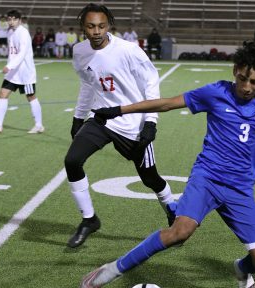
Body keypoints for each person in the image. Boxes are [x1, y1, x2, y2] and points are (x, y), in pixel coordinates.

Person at [80, 41, 255, 288]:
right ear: (235, 69)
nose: (246, 87)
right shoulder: (215, 93)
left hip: (240, 189)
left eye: (254, 82)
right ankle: (112, 269)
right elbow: (167, 103)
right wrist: (118, 110)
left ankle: (240, 269)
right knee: (179, 233)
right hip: (207, 178)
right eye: (242, 78)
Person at [64, 3, 175, 249]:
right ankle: (89, 219)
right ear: (83, 27)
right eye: (91, 26)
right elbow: (88, 85)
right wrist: (78, 118)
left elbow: (151, 82)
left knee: (150, 179)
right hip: (102, 118)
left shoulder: (128, 50)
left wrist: (151, 122)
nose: (96, 31)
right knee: (72, 161)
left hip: (133, 123)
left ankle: (172, 210)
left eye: (101, 26)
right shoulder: (80, 51)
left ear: (109, 26)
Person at [0, 10, 44, 134]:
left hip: (25, 73)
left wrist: (9, 66)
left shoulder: (23, 33)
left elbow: (22, 53)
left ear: (20, 20)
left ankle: (39, 125)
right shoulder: (9, 32)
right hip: (13, 73)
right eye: (9, 19)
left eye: (14, 19)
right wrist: (10, 67)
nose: (11, 21)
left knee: (30, 96)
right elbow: (12, 53)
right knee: (2, 94)